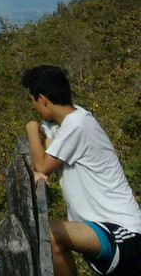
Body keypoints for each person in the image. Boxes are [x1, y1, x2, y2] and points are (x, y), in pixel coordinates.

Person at [23, 65, 141, 275]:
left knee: (51, 235)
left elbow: (42, 165)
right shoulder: (69, 121)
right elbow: (47, 151)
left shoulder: (77, 125)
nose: (33, 107)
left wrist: (32, 129)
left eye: (32, 100)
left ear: (43, 99)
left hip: (124, 234)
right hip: (106, 231)